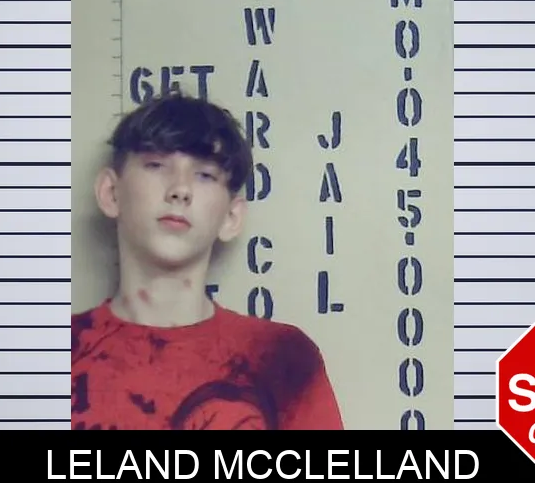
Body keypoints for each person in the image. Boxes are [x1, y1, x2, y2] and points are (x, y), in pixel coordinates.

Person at [71, 93, 344, 430]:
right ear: (111, 193)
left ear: (232, 216)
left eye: (205, 175)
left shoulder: (282, 359)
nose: (180, 190)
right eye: (156, 165)